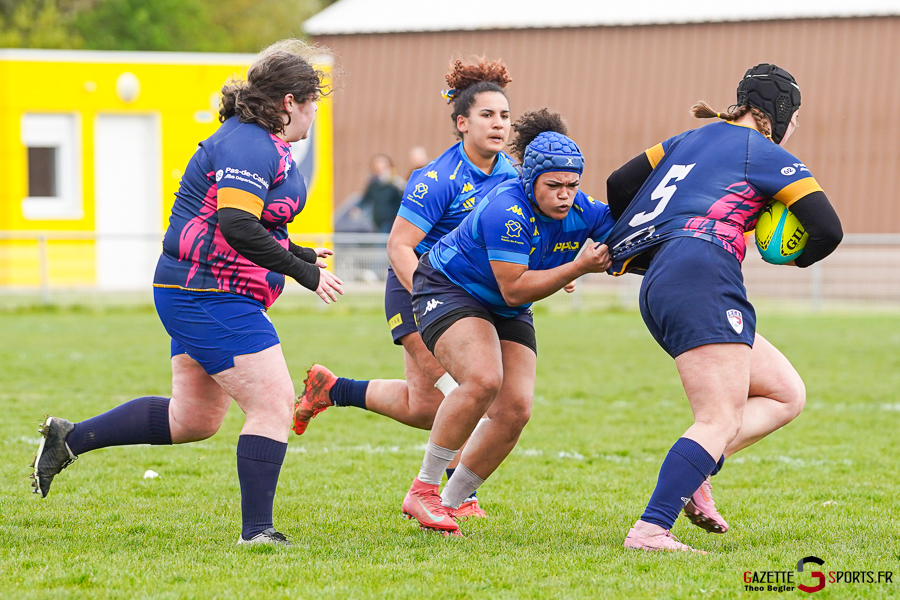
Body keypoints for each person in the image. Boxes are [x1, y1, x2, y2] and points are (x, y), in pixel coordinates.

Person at [29, 39, 343, 547]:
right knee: (275, 399)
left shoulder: (257, 142)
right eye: (313, 104)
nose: (313, 115)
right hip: (207, 292)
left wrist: (300, 253)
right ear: (291, 101)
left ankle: (70, 438)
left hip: (203, 288)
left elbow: (249, 222)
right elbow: (237, 224)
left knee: (193, 419)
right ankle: (257, 532)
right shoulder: (250, 143)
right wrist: (304, 275)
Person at [603, 64, 843, 552]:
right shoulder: (766, 152)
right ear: (779, 112)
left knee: (785, 394)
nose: (793, 127)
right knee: (719, 417)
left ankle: (696, 472)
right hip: (701, 273)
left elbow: (617, 184)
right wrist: (794, 256)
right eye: (793, 116)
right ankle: (651, 530)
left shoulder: (684, 141)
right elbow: (827, 230)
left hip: (664, 276)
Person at [291, 58, 518, 519]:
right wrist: (435, 301)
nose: (498, 124)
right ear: (461, 123)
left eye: (504, 116)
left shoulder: (511, 173)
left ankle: (332, 389)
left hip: (465, 299)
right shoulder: (437, 178)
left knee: (422, 406)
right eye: (486, 115)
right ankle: (455, 493)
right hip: (419, 292)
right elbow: (399, 248)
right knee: (468, 389)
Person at [401, 109, 615, 536]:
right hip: (449, 288)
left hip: (503, 305)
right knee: (482, 380)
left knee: (516, 409)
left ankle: (451, 502)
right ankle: (422, 490)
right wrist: (575, 269)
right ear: (529, 182)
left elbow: (621, 235)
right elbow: (516, 288)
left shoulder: (582, 207)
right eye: (553, 186)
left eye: (572, 186)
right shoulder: (507, 208)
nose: (565, 196)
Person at [358, 154, 404, 233]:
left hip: (390, 220)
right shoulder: (374, 183)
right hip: (376, 220)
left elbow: (401, 198)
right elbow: (366, 199)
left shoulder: (395, 183)